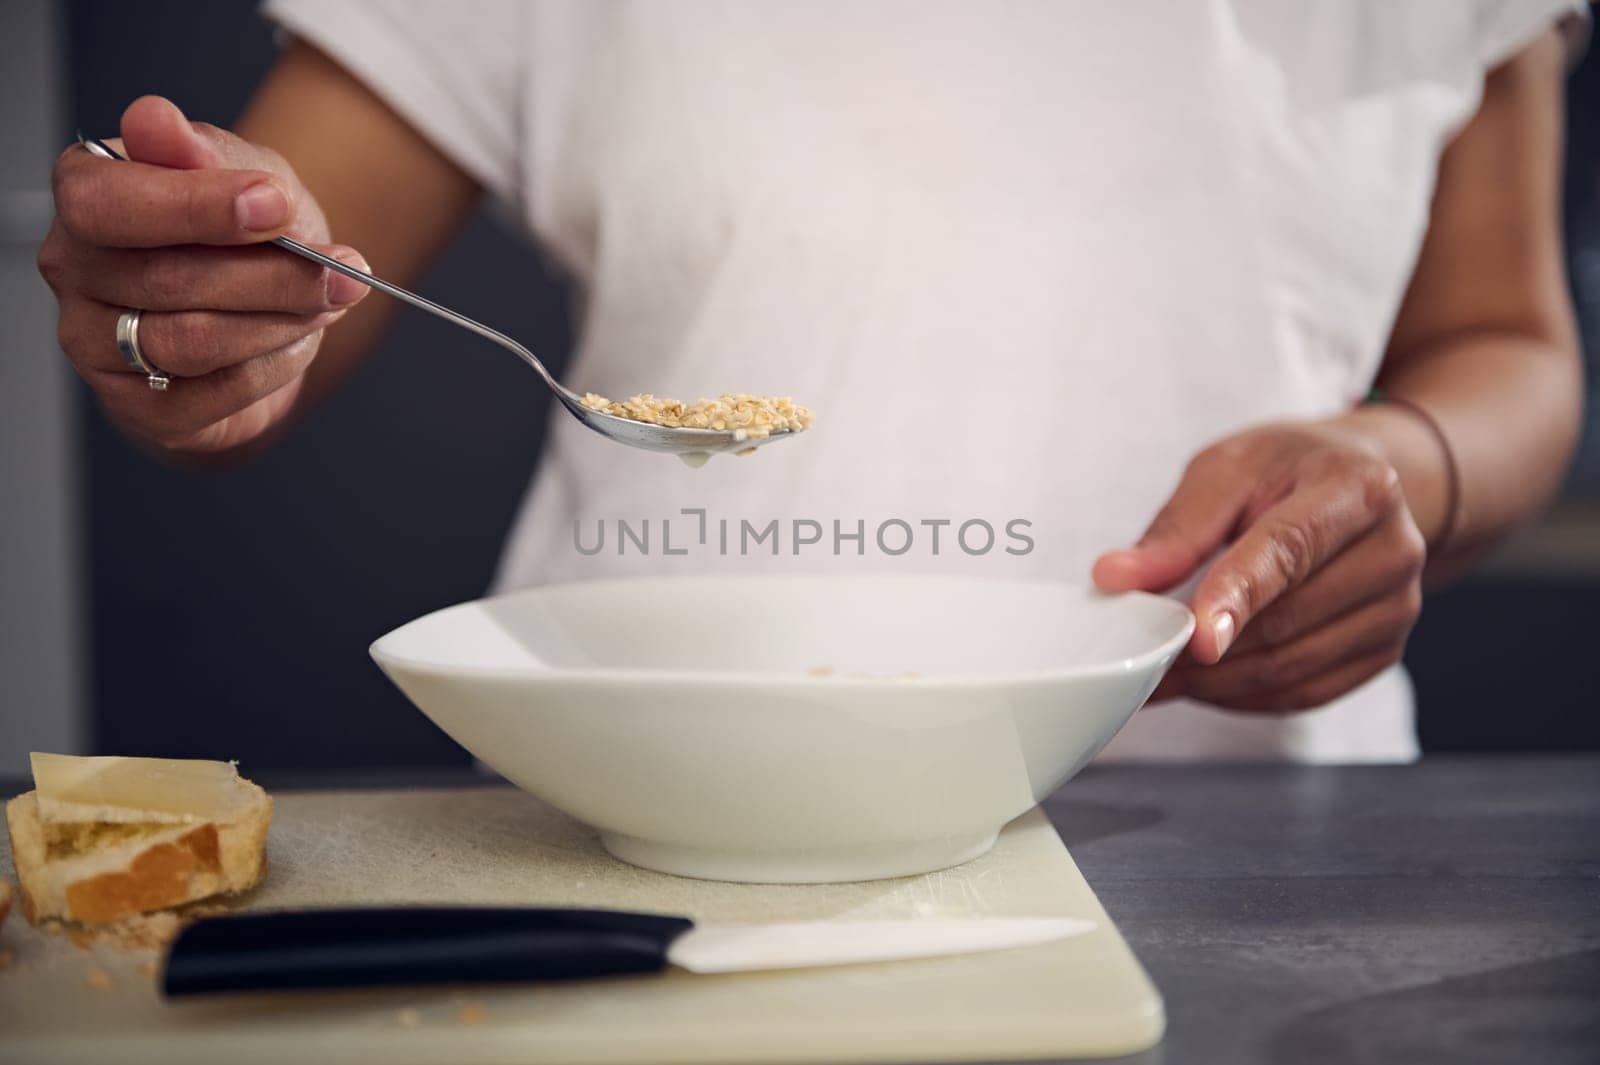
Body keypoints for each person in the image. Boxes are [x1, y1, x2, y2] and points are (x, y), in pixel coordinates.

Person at [38, 2, 1589, 761]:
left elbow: (1506, 343)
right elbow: (282, 273)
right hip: (635, 810)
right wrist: (194, 298)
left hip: (1257, 834)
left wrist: (1407, 467)